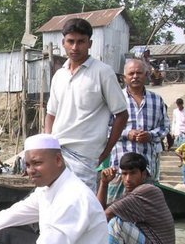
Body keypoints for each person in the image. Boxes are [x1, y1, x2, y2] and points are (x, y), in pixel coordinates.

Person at [45, 18, 129, 192]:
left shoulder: (103, 72)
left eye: (81, 42)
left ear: (90, 43)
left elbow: (121, 114)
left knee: (80, 209)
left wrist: (106, 151)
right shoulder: (59, 75)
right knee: (53, 204)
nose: (75, 47)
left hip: (86, 156)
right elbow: (51, 113)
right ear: (63, 43)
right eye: (71, 41)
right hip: (57, 152)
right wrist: (48, 142)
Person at [97, 152, 175, 244]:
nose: (127, 179)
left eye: (132, 173)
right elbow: (99, 212)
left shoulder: (147, 191)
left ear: (143, 174)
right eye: (124, 174)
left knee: (116, 224)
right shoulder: (133, 194)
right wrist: (104, 183)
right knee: (114, 225)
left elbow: (103, 216)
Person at [109, 58, 169, 190]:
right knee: (117, 207)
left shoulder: (156, 100)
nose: (135, 76)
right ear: (125, 78)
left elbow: (165, 127)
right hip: (120, 170)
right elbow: (104, 129)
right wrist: (126, 134)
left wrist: (150, 135)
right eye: (131, 74)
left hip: (146, 170)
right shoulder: (114, 98)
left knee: (145, 208)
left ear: (146, 75)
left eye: (139, 73)